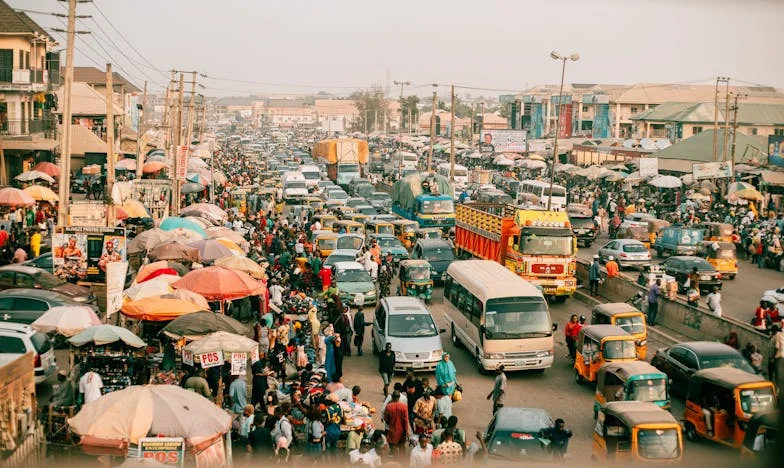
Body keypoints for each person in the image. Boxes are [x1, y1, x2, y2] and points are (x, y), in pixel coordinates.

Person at [383, 390, 409, 455]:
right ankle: (402, 460)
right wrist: (406, 431)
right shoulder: (404, 407)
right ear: (399, 397)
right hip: (402, 430)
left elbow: (386, 419)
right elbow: (406, 420)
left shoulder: (388, 406)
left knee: (393, 446)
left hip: (392, 430)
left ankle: (395, 459)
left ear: (392, 397)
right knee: (402, 445)